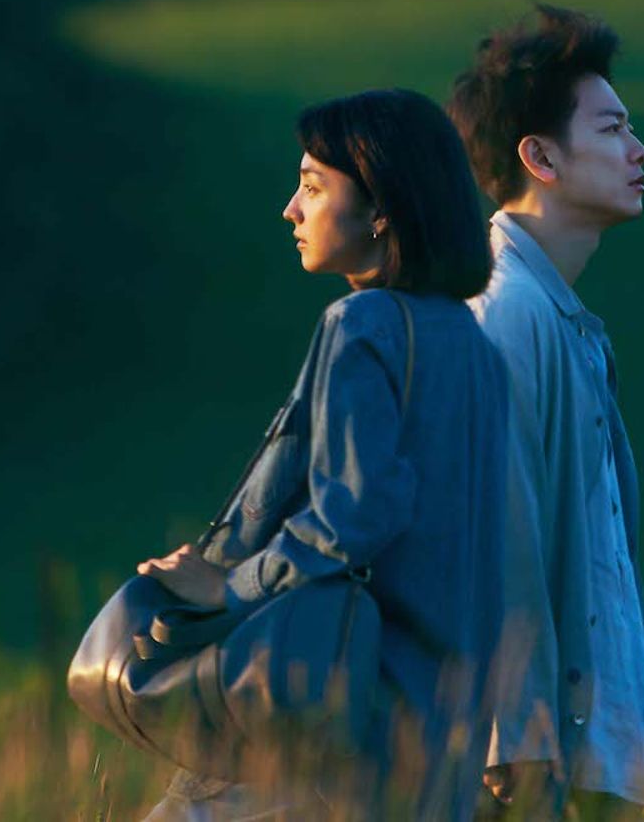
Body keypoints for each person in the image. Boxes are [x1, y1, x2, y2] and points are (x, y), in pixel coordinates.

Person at [136, 88, 509, 821]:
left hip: (328, 721)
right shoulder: (474, 348)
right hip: (439, 735)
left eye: (312, 187)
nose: (291, 210)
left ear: (381, 210)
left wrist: (231, 587)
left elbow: (355, 511)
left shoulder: (360, 324)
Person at [448, 5, 644, 821]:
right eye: (614, 129)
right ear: (541, 156)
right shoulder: (506, 312)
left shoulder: (559, 317)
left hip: (592, 753)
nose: (639, 149)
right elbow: (496, 540)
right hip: (534, 765)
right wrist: (517, 743)